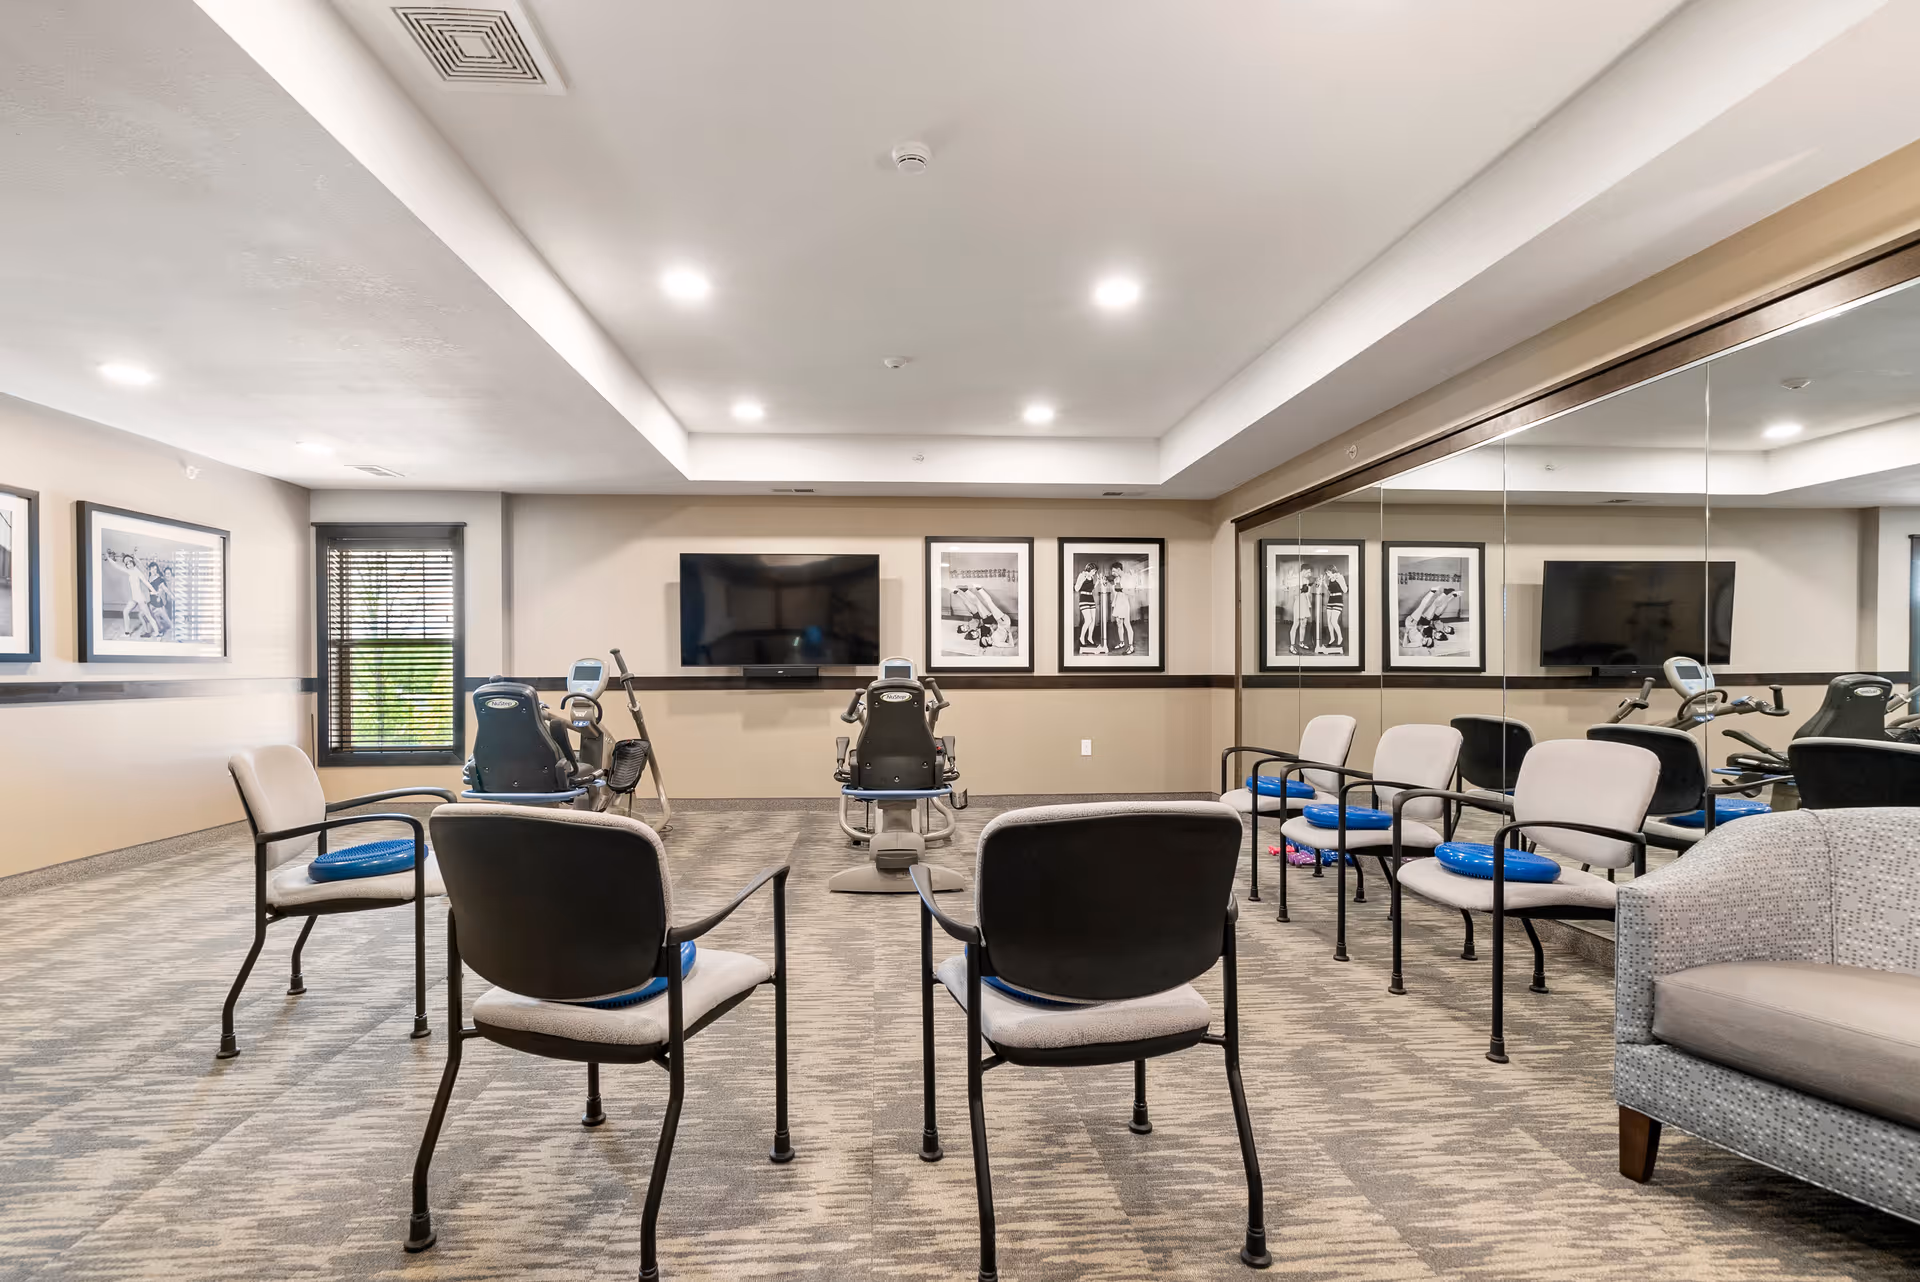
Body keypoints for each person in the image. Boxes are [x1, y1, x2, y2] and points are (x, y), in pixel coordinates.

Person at [1107, 562, 1135, 655]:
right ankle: (1122, 642)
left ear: (1119, 569)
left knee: (1127, 624)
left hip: (1124, 603)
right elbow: (1115, 590)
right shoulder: (1117, 578)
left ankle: (1131, 647)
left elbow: (1132, 593)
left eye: (1114, 571)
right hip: (1118, 603)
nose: (1113, 573)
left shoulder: (1127, 577)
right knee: (1119, 624)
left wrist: (1122, 589)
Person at [1074, 562, 1100, 652]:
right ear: (1089, 569)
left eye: (1095, 572)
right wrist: (1082, 579)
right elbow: (1076, 588)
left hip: (1091, 598)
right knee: (1088, 620)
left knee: (1093, 620)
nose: (1094, 573)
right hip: (1083, 599)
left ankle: (1090, 638)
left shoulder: (1092, 577)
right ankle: (1081, 638)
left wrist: (1097, 582)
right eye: (1093, 571)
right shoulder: (1081, 575)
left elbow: (1091, 588)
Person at [1289, 566, 1314, 654]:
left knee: (1304, 623)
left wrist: (1308, 590)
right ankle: (1292, 646)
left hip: (1305, 603)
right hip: (1298, 602)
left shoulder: (1306, 580)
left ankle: (1301, 642)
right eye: (1308, 572)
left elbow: (1307, 594)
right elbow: (1291, 593)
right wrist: (1301, 590)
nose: (1309, 574)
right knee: (1296, 624)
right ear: (1303, 570)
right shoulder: (1295, 578)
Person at [1322, 566, 1347, 654]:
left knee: (1333, 621)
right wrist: (1324, 583)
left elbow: (1345, 590)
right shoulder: (1330, 579)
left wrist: (1339, 579)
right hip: (1331, 600)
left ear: (1332, 571)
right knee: (1329, 621)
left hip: (1338, 601)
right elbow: (1330, 591)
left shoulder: (1339, 577)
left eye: (1328, 573)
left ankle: (1340, 638)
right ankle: (1332, 638)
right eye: (1326, 573)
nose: (1327, 574)